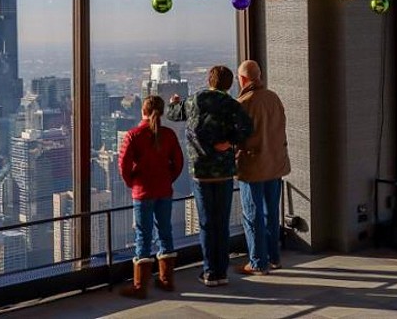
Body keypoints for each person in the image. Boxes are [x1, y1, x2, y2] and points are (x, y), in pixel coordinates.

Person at [167, 65, 253, 287]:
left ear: (209, 80)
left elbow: (174, 114)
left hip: (201, 172)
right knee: (221, 223)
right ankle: (221, 271)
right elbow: (247, 128)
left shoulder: (194, 100)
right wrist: (229, 142)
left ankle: (209, 272)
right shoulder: (232, 105)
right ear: (229, 84)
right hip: (223, 172)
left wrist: (173, 102)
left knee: (206, 223)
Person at [118, 95, 184, 299]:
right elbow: (179, 163)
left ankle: (140, 286)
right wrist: (167, 179)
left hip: (142, 192)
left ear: (143, 111)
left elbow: (123, 166)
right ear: (162, 112)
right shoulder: (169, 134)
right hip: (164, 190)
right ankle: (167, 280)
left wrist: (133, 183)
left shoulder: (133, 135)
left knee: (142, 235)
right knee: (165, 231)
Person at [235, 60, 291, 275]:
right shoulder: (273, 98)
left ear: (242, 79)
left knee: (253, 214)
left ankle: (258, 262)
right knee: (271, 213)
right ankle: (274, 257)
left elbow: (237, 137)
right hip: (275, 164)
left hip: (252, 166)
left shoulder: (244, 103)